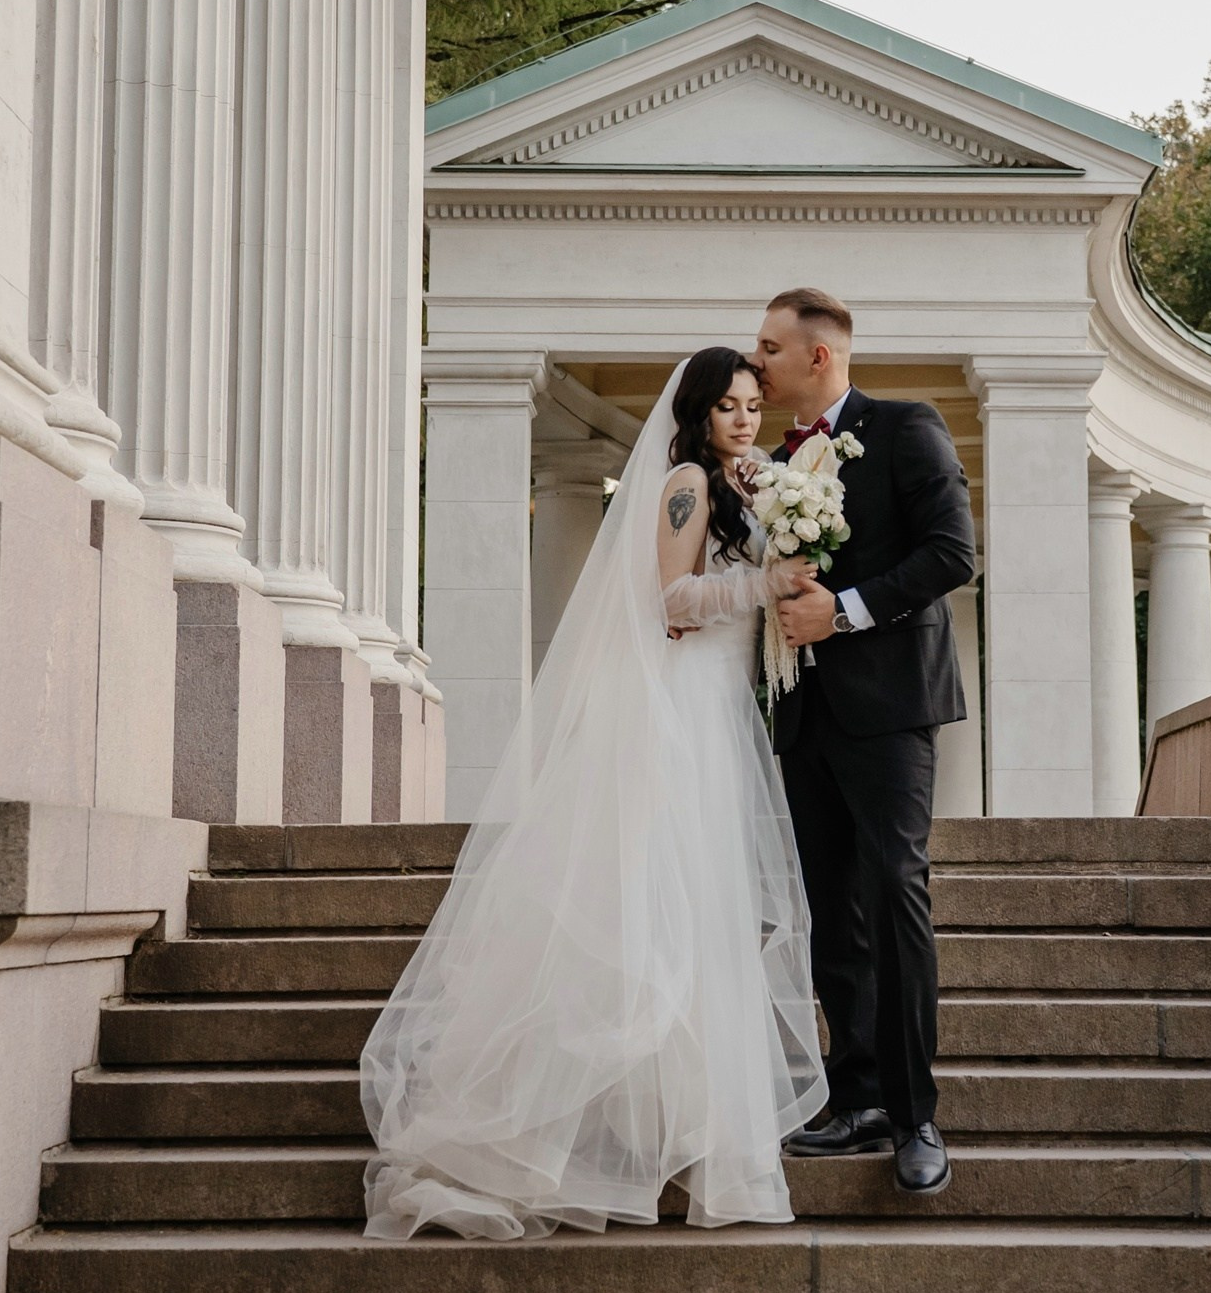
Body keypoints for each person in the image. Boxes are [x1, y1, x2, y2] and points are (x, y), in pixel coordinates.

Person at [360, 350, 827, 1241]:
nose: (741, 419)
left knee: (705, 919)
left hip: (724, 711)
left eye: (749, 406)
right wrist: (765, 584)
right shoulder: (685, 482)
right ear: (694, 412)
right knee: (664, 909)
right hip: (681, 711)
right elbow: (671, 601)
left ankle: (686, 1136)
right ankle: (601, 1142)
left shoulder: (747, 483)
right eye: (725, 406)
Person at [754, 287, 978, 1195]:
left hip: (889, 710)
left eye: (769, 348)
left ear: (818, 357)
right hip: (802, 712)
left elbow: (951, 553)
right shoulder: (771, 464)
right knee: (828, 911)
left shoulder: (905, 427)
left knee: (894, 891)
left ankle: (916, 1116)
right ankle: (855, 1098)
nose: (755, 362)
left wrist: (840, 612)